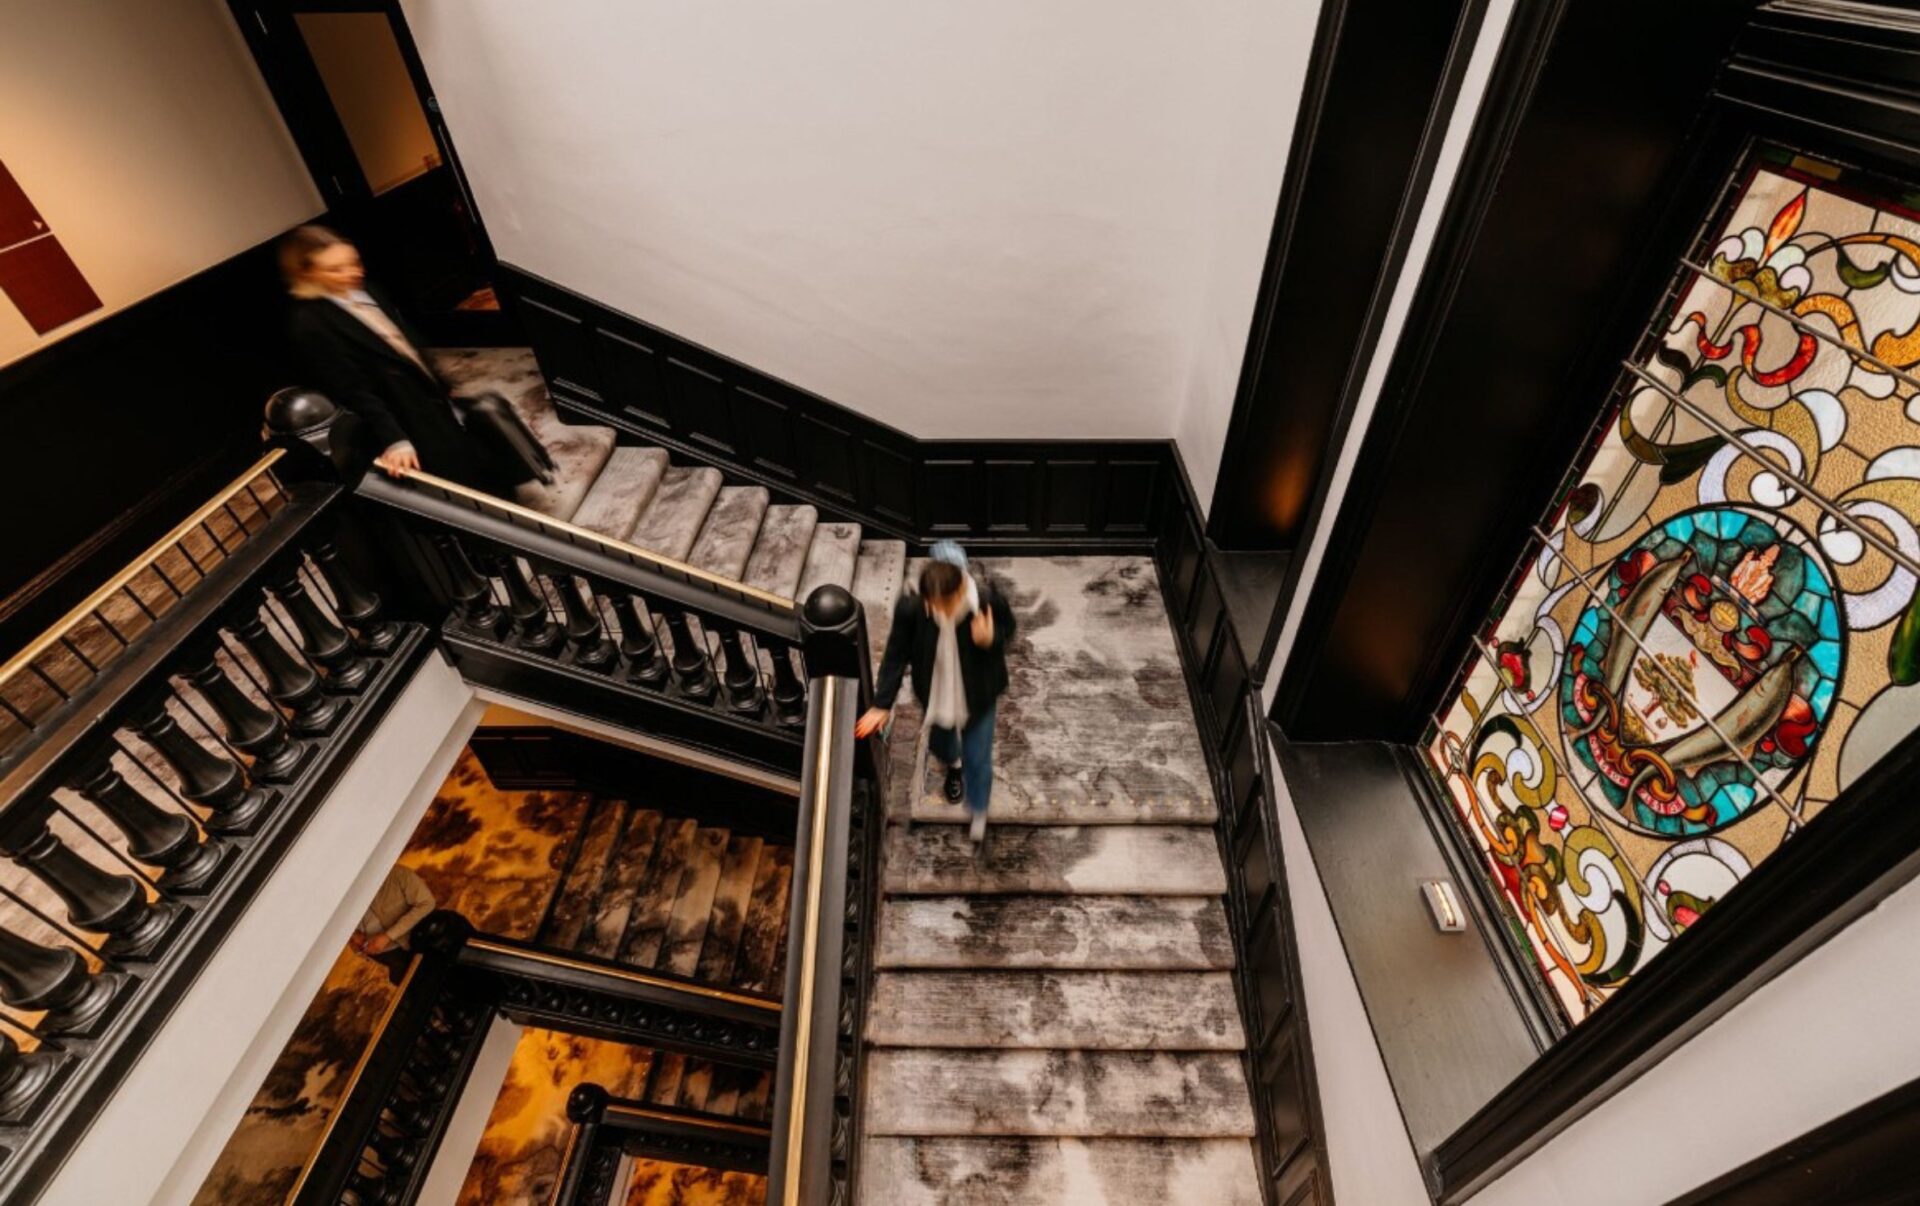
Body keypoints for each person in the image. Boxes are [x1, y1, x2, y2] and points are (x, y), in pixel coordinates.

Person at [281, 225, 519, 492]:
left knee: (471, 458)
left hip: (427, 396)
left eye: (353, 262)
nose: (353, 272)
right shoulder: (310, 324)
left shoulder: (368, 290)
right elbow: (353, 389)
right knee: (451, 479)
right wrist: (394, 439)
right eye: (335, 269)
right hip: (401, 410)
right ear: (308, 273)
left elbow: (405, 341)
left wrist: (440, 382)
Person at [856, 542, 1015, 843]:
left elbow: (1010, 629)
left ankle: (978, 812)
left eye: (945, 605)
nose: (938, 612)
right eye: (933, 605)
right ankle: (952, 766)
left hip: (977, 694)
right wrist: (882, 703)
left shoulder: (986, 601)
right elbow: (896, 653)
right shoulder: (912, 606)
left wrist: (990, 638)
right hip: (937, 693)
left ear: (960, 591)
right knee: (941, 745)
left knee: (978, 758)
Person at [352, 863, 436, 982]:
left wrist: (388, 936)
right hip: (382, 953)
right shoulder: (343, 890)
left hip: (418, 940)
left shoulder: (397, 874)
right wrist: (352, 935)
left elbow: (427, 903)